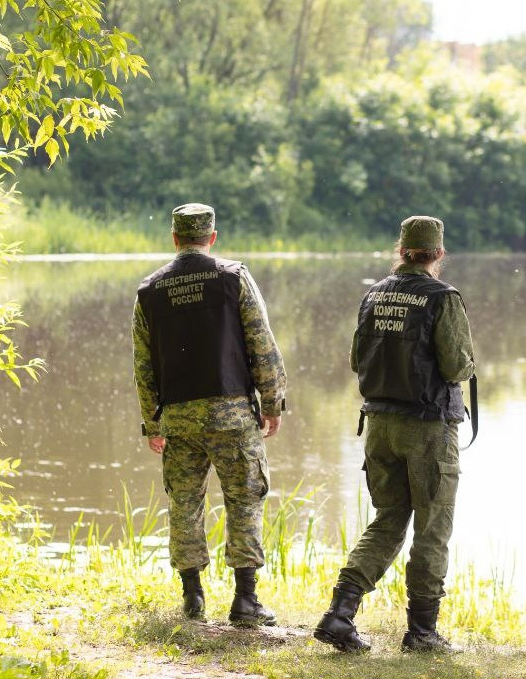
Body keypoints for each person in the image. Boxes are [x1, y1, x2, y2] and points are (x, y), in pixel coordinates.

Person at [314, 215, 475, 654]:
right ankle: (422, 632)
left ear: (400, 251)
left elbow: (355, 359)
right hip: (426, 429)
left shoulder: (374, 295)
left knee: (388, 520)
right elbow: (458, 366)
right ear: (438, 254)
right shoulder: (443, 297)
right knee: (432, 527)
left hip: (379, 425)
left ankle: (340, 614)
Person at [132, 203, 287, 627]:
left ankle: (193, 598)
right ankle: (245, 601)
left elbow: (143, 367)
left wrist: (152, 422)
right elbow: (261, 343)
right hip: (233, 414)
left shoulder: (150, 290)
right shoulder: (233, 277)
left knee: (183, 504)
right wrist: (273, 403)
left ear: (174, 238)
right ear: (212, 237)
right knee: (245, 500)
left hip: (179, 419)